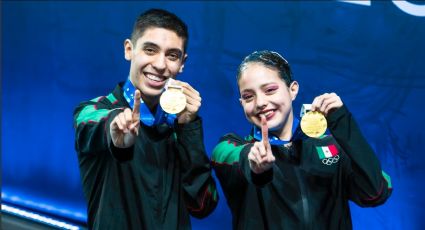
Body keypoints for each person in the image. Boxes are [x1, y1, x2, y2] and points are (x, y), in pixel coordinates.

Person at [211, 50, 392, 229]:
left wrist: (343, 123)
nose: (260, 103)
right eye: (248, 96)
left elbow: (376, 192)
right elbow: (231, 155)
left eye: (270, 90)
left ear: (293, 90)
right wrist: (253, 163)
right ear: (242, 103)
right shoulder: (231, 148)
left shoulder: (331, 146)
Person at [73, 9, 218, 229]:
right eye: (150, 50)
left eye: (172, 55)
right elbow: (91, 123)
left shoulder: (180, 126)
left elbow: (203, 206)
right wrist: (116, 125)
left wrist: (189, 128)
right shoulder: (94, 111)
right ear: (129, 49)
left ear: (182, 63)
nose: (160, 65)